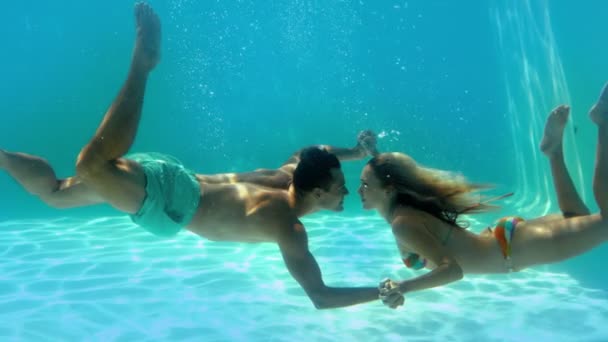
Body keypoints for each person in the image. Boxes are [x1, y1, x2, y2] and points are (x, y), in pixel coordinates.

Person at [0, 2, 402, 310]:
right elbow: (319, 296)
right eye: (340, 188)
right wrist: (381, 292)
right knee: (91, 164)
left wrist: (356, 151)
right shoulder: (289, 226)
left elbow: (312, 153)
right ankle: (141, 67)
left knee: (54, 192)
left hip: (172, 173)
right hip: (170, 203)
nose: (347, 195)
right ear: (315, 193)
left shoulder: (287, 174)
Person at [356, 89, 608, 308]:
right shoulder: (404, 211)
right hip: (508, 241)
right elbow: (391, 178)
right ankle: (553, 152)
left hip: (515, 250)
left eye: (364, 184)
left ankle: (603, 120)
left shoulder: (403, 222)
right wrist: (375, 155)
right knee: (581, 218)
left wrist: (404, 287)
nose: (360, 190)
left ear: (389, 189)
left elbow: (452, 270)